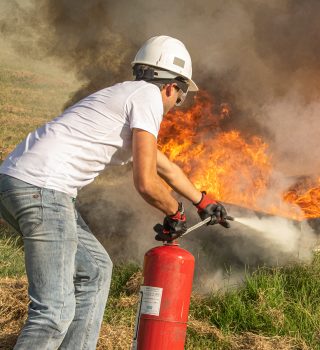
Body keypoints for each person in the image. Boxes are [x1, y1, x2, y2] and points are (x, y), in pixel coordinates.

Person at [0, 35, 231, 350]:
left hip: (22, 183)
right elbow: (147, 182)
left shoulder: (128, 96)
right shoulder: (148, 98)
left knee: (95, 270)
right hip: (42, 189)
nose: (176, 105)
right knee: (54, 312)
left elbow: (166, 168)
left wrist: (203, 201)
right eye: (180, 98)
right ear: (170, 86)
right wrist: (175, 211)